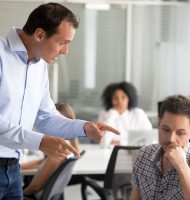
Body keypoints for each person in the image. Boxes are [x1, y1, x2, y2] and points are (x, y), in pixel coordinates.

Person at [0, 3, 119, 199]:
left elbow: (46, 117)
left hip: (13, 168)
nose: (66, 51)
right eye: (63, 42)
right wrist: (39, 142)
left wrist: (83, 128)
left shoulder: (39, 66)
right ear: (39, 35)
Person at [131, 95, 190, 200]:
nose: (171, 139)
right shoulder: (143, 155)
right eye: (166, 129)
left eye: (180, 133)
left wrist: (182, 166)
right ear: (159, 123)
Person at [22, 103, 79, 198]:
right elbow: (40, 163)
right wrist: (16, 166)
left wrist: (19, 194)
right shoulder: (64, 149)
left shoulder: (59, 152)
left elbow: (36, 187)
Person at [98, 81, 152, 147]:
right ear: (110, 100)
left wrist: (121, 143)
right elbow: (103, 144)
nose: (119, 101)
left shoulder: (138, 113)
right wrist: (112, 114)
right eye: (115, 98)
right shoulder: (105, 114)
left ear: (129, 99)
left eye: (123, 97)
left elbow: (148, 139)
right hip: (109, 153)